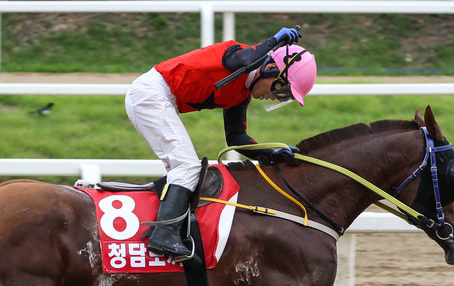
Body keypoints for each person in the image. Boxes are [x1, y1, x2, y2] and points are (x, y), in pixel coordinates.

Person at [125, 27, 317, 260]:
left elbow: (236, 139)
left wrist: (271, 153)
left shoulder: (240, 94)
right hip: (150, 95)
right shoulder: (234, 55)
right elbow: (244, 60)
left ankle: (166, 230)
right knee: (187, 168)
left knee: (185, 169)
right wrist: (274, 40)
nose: (275, 97)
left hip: (159, 99)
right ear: (268, 68)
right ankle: (163, 234)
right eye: (281, 89)